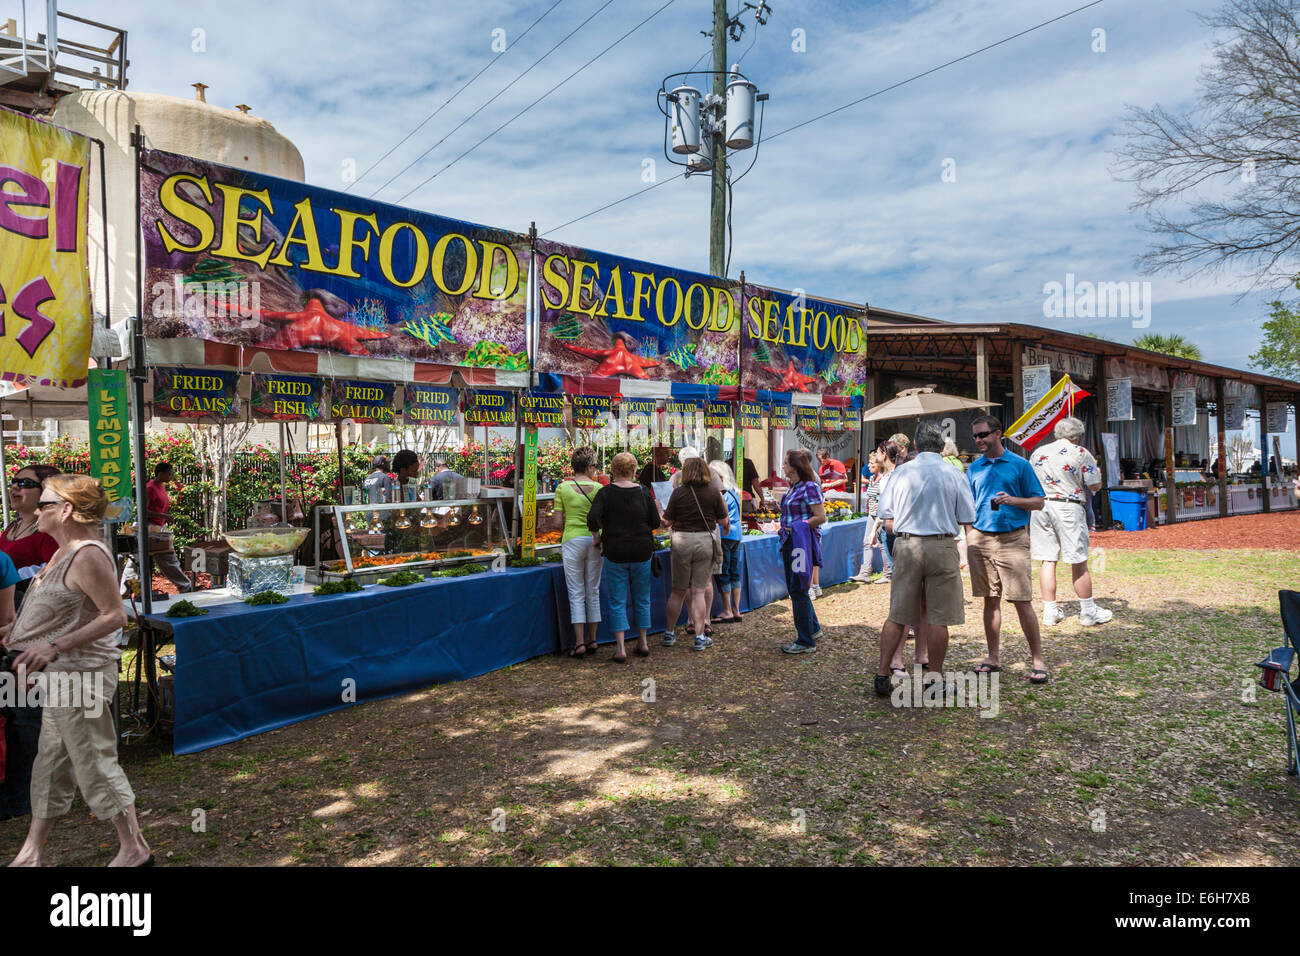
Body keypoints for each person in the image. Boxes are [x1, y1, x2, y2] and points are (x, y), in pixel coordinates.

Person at [4, 475, 150, 867]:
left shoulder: (88, 553)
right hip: (62, 677)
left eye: (46, 504)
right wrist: (16, 637)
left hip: (82, 677)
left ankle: (134, 848)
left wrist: (53, 646)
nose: (37, 511)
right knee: (50, 763)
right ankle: (32, 852)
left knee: (92, 758)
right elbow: (58, 613)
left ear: (66, 510)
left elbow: (114, 616)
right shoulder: (62, 551)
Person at [873, 423, 976, 697]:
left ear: (916, 445)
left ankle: (883, 673)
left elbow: (887, 518)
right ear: (942, 447)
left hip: (908, 544)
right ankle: (934, 678)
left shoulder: (901, 472)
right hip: (942, 544)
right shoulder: (954, 473)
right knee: (938, 617)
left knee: (897, 614)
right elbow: (967, 517)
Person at [966, 415, 1049, 684]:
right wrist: (969, 537)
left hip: (1013, 538)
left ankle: (1038, 660)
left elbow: (1039, 503)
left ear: (998, 434)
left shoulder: (1020, 465)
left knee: (1021, 600)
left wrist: (1013, 501)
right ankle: (993, 658)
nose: (978, 440)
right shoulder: (973, 469)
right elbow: (967, 506)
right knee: (990, 599)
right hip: (981, 539)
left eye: (983, 435)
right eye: (976, 436)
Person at [0, 464, 58, 822]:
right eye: (14, 482)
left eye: (26, 483)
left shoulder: (47, 531)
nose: (16, 488)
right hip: (10, 632)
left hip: (35, 630)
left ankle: (29, 794)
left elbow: (55, 579)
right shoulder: (9, 528)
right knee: (12, 710)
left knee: (27, 714)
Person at [1029, 417, 1113, 626]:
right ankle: (1088, 610)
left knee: (1047, 559)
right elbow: (1094, 486)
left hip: (1041, 506)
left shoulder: (1038, 453)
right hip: (1068, 506)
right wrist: (1099, 476)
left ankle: (1050, 611)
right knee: (1078, 560)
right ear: (1076, 436)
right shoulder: (1082, 453)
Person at [588, 452, 660, 662]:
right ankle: (643, 642)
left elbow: (593, 518)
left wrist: (597, 537)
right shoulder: (644, 492)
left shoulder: (605, 493)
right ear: (634, 470)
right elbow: (655, 522)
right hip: (641, 550)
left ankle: (620, 648)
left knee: (617, 600)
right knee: (642, 598)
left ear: (613, 470)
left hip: (614, 551)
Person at [661, 457, 729, 651]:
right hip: (704, 541)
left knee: (677, 591)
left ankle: (669, 633)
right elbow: (724, 520)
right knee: (699, 590)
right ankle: (699, 637)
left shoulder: (678, 493)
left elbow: (667, 521)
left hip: (682, 541)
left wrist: (660, 515)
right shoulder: (713, 493)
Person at [552, 447, 604, 658]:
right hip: (595, 540)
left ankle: (580, 642)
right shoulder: (600, 488)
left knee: (576, 591)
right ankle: (593, 639)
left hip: (571, 539)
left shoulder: (562, 488)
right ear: (590, 466)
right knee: (593, 589)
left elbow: (556, 522)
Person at [775, 449, 826, 654]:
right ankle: (812, 629)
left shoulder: (809, 487)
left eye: (786, 463)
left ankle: (805, 641)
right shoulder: (793, 487)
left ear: (795, 466)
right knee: (798, 587)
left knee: (798, 589)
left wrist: (798, 526)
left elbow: (820, 516)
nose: (783, 466)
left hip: (800, 543)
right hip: (791, 540)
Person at [144, 462, 193, 594]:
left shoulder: (161, 486)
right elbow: (143, 511)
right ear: (160, 474)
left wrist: (163, 518)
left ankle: (124, 592)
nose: (171, 476)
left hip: (160, 526)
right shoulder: (150, 488)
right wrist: (164, 515)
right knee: (167, 558)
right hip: (150, 528)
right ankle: (185, 586)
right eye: (169, 474)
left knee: (137, 562)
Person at [710, 460, 744, 624]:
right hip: (737, 536)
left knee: (724, 574)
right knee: (734, 572)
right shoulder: (734, 492)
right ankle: (736, 610)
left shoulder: (721, 494)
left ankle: (727, 610)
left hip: (725, 535)